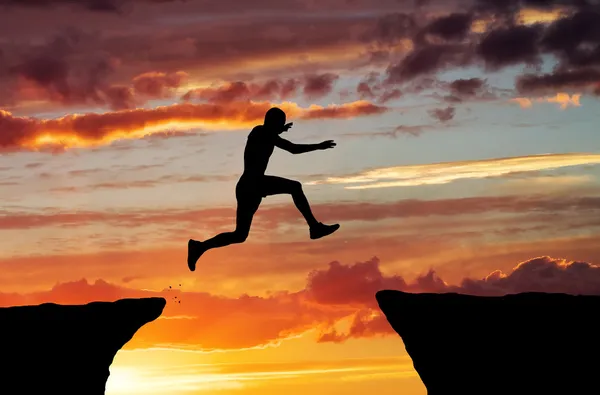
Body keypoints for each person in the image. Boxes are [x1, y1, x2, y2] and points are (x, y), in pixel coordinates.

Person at [187, 107, 340, 271]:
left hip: (248, 187)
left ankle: (200, 247)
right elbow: (292, 149)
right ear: (272, 122)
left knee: (240, 235)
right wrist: (318, 146)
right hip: (254, 183)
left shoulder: (265, 133)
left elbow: (272, 137)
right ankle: (314, 227)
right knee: (295, 187)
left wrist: (279, 130)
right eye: (279, 123)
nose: (280, 127)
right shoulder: (261, 132)